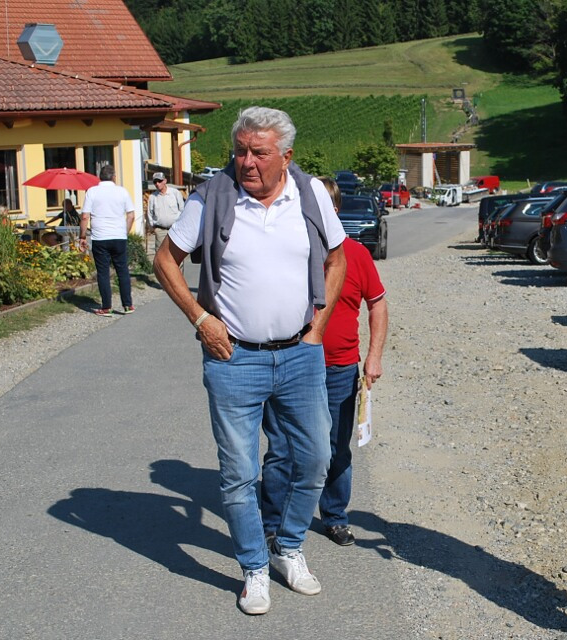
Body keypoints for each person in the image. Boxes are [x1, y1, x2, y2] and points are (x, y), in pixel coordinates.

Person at [152, 106, 347, 616]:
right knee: (238, 474)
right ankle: (254, 568)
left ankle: (288, 548)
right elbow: (165, 260)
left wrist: (318, 328)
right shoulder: (212, 197)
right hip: (234, 358)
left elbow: (338, 258)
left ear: (286, 156)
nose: (247, 162)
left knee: (316, 459)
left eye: (258, 153)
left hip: (300, 355)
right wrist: (201, 319)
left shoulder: (310, 195)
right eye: (240, 151)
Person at [260, 178, 389, 548]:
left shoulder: (356, 255)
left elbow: (377, 304)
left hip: (339, 368)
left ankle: (334, 516)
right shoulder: (289, 250)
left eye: (321, 208)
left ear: (335, 210)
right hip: (288, 365)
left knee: (334, 448)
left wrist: (374, 357)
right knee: (282, 447)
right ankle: (273, 522)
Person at [79, 165, 135, 317]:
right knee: (122, 270)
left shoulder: (92, 191)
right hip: (119, 235)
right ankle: (127, 304)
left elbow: (85, 216)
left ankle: (106, 307)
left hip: (100, 236)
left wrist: (82, 237)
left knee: (103, 272)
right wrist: (125, 232)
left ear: (100, 177)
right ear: (114, 177)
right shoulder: (122, 191)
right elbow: (131, 215)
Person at [146, 171, 185, 257]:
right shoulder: (152, 197)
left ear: (165, 181)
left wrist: (181, 226)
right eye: (155, 182)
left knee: (177, 254)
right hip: (160, 231)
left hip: (175, 229)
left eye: (159, 181)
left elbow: (182, 210)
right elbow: (149, 213)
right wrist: (153, 228)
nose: (157, 184)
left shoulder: (175, 193)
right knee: (161, 255)